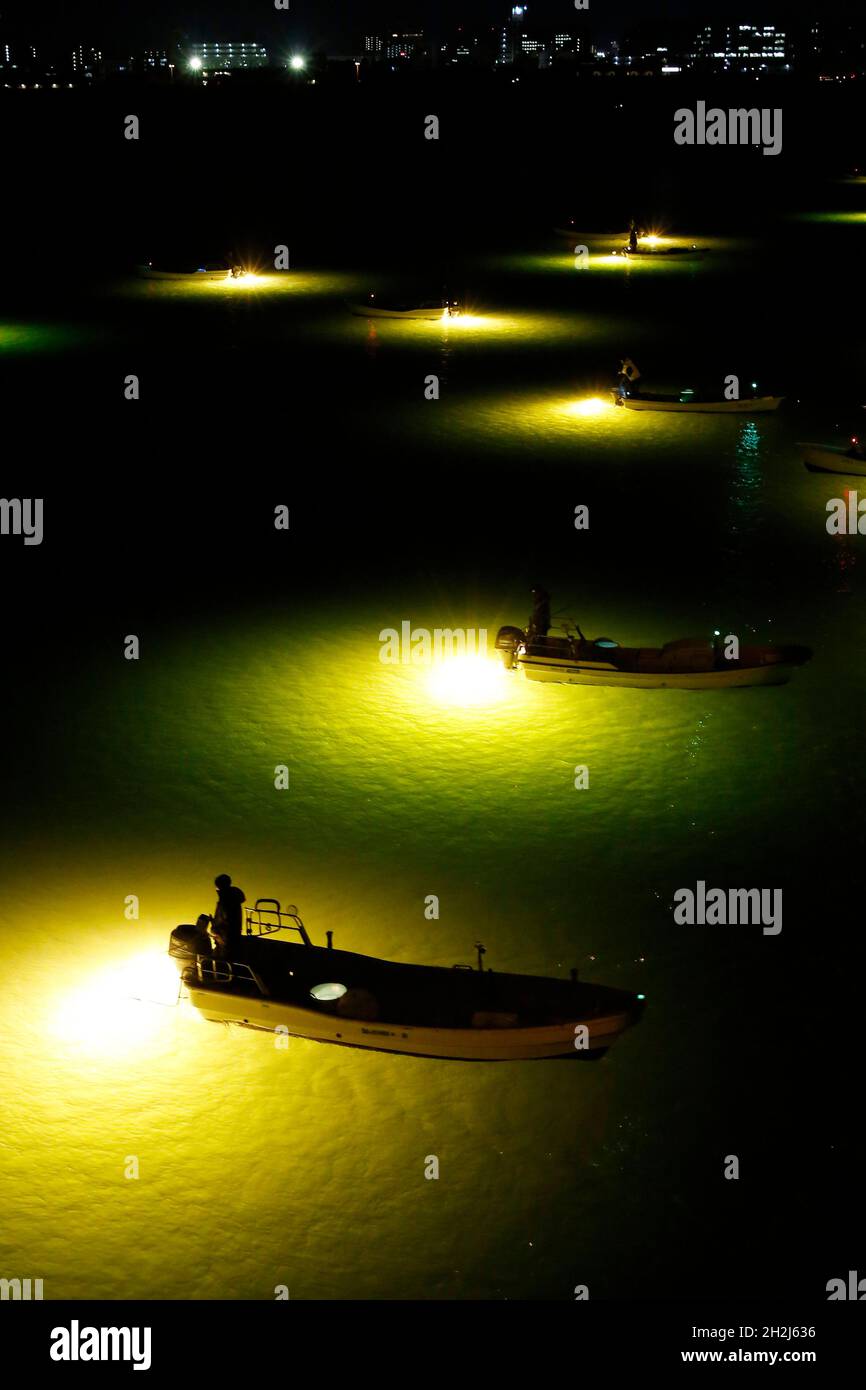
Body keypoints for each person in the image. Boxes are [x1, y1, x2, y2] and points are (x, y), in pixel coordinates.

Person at [213, 874, 246, 958]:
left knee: (224, 959)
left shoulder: (226, 900)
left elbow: (226, 920)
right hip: (231, 936)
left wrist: (215, 929)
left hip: (226, 939)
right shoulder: (233, 897)